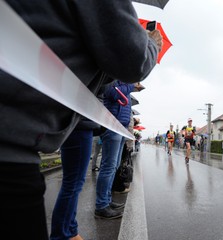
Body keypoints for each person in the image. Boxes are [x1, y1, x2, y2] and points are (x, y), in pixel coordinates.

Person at [1, 1, 163, 239]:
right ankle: (68, 228)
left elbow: (97, 67)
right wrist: (151, 44)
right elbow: (133, 60)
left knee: (78, 178)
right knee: (77, 179)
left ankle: (70, 227)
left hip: (18, 136)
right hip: (13, 142)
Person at [95, 80, 136, 220]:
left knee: (114, 166)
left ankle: (106, 200)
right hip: (112, 124)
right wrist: (132, 85)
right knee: (109, 166)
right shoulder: (113, 77)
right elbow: (112, 93)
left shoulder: (122, 81)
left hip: (120, 127)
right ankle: (101, 205)